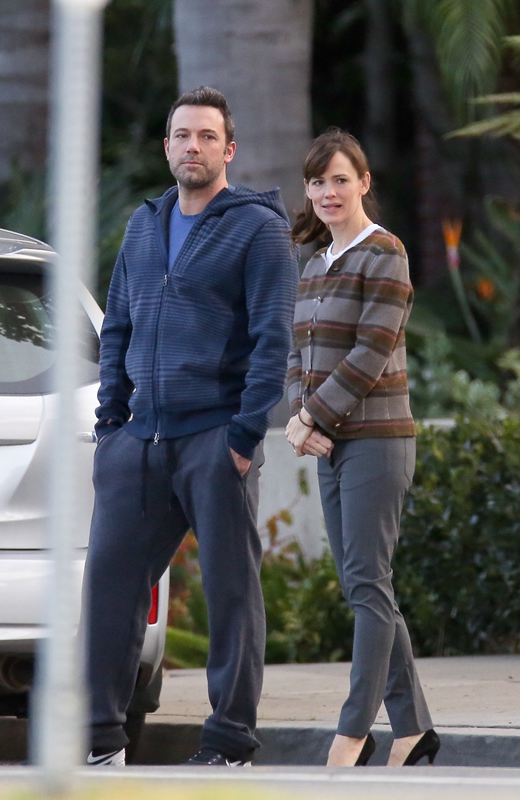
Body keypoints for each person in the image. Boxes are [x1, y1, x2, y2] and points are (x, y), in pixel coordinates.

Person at [83, 86, 299, 767]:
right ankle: (98, 742)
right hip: (139, 440)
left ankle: (229, 743)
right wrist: (110, 423)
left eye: (207, 136)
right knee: (110, 591)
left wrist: (243, 436)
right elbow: (117, 326)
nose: (193, 147)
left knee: (231, 596)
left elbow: (273, 338)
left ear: (228, 150)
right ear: (167, 147)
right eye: (182, 135)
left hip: (215, 437)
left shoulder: (257, 229)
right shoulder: (144, 225)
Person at [285, 128, 440, 768]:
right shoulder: (313, 265)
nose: (328, 192)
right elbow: (297, 356)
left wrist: (309, 416)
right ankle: (414, 728)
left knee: (368, 583)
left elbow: (370, 354)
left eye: (340, 180)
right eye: (318, 181)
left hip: (377, 439)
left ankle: (353, 732)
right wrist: (299, 415)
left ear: (364, 183)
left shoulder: (386, 253)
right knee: (362, 585)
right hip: (330, 443)